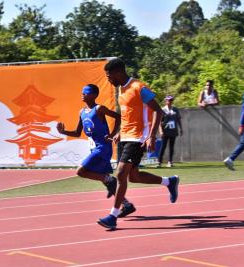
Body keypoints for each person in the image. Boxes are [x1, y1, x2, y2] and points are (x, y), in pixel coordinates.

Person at [97, 58, 179, 230]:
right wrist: (120, 132)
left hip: (138, 137)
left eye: (109, 76)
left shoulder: (138, 87)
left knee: (120, 174)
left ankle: (113, 215)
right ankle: (169, 182)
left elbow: (157, 110)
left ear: (118, 72)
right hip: (125, 136)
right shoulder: (120, 89)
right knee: (133, 177)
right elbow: (128, 114)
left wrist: (151, 135)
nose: (108, 79)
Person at [57, 84, 136, 217]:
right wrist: (63, 131)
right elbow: (77, 133)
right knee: (106, 182)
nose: (82, 94)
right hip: (94, 149)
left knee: (81, 171)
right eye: (82, 92)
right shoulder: (81, 112)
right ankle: (127, 205)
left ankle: (109, 180)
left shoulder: (99, 109)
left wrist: (112, 134)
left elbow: (118, 117)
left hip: (103, 148)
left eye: (86, 92)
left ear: (94, 95)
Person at [157, 95, 183, 168]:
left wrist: (181, 129)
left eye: (171, 100)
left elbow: (178, 119)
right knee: (163, 146)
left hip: (173, 131)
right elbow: (159, 121)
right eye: (168, 100)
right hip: (165, 131)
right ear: (165, 101)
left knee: (171, 147)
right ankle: (159, 162)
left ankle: (170, 162)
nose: (170, 101)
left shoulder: (175, 109)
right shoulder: (163, 110)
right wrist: (161, 131)